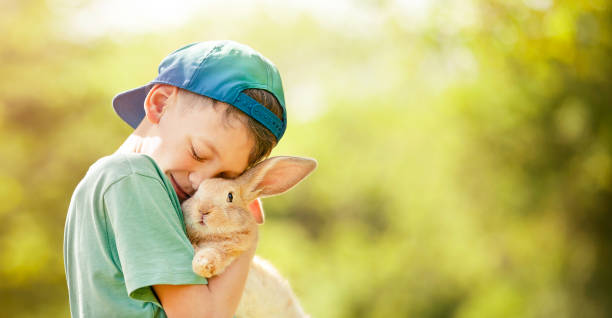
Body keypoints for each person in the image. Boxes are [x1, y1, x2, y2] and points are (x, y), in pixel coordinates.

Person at [63, 40, 287, 317]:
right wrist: (246, 235)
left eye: (223, 177)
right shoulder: (134, 177)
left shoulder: (106, 181)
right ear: (161, 104)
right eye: (198, 152)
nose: (198, 182)